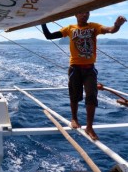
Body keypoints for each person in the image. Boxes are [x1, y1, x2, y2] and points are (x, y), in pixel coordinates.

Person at [41, 12, 126, 140]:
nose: (84, 15)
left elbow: (110, 30)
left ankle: (89, 127)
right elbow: (49, 36)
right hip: (75, 68)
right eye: (81, 13)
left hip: (90, 69)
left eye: (87, 13)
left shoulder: (94, 27)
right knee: (74, 94)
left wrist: (117, 25)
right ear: (76, 15)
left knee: (91, 95)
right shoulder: (69, 29)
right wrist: (43, 22)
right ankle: (74, 118)